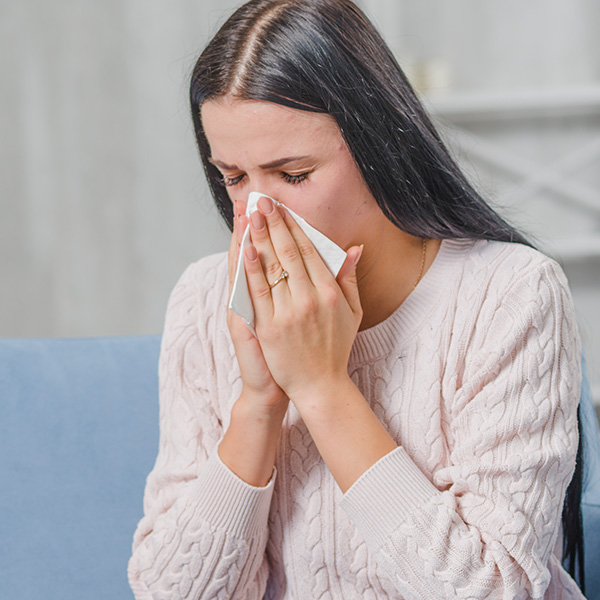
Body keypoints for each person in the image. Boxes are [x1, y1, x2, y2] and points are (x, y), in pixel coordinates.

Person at [128, 0, 586, 598]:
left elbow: (494, 588)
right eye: (233, 178)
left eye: (293, 175)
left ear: (379, 148)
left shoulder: (510, 295)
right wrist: (260, 403)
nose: (257, 214)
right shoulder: (202, 298)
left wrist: (322, 388)